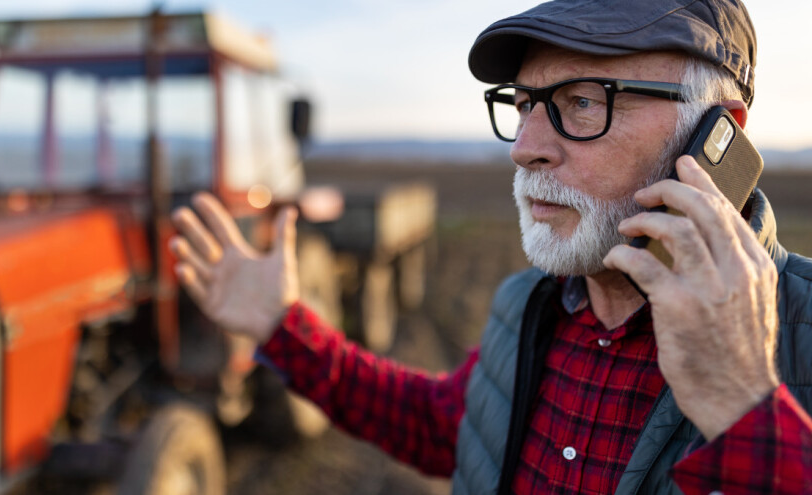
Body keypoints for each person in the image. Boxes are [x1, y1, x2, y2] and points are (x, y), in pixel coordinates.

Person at [169, 0, 812, 493]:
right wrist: (282, 328)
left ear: (719, 132)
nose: (525, 146)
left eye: (582, 102)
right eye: (524, 103)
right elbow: (447, 426)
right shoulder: (527, 306)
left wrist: (743, 407)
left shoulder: (800, 336)